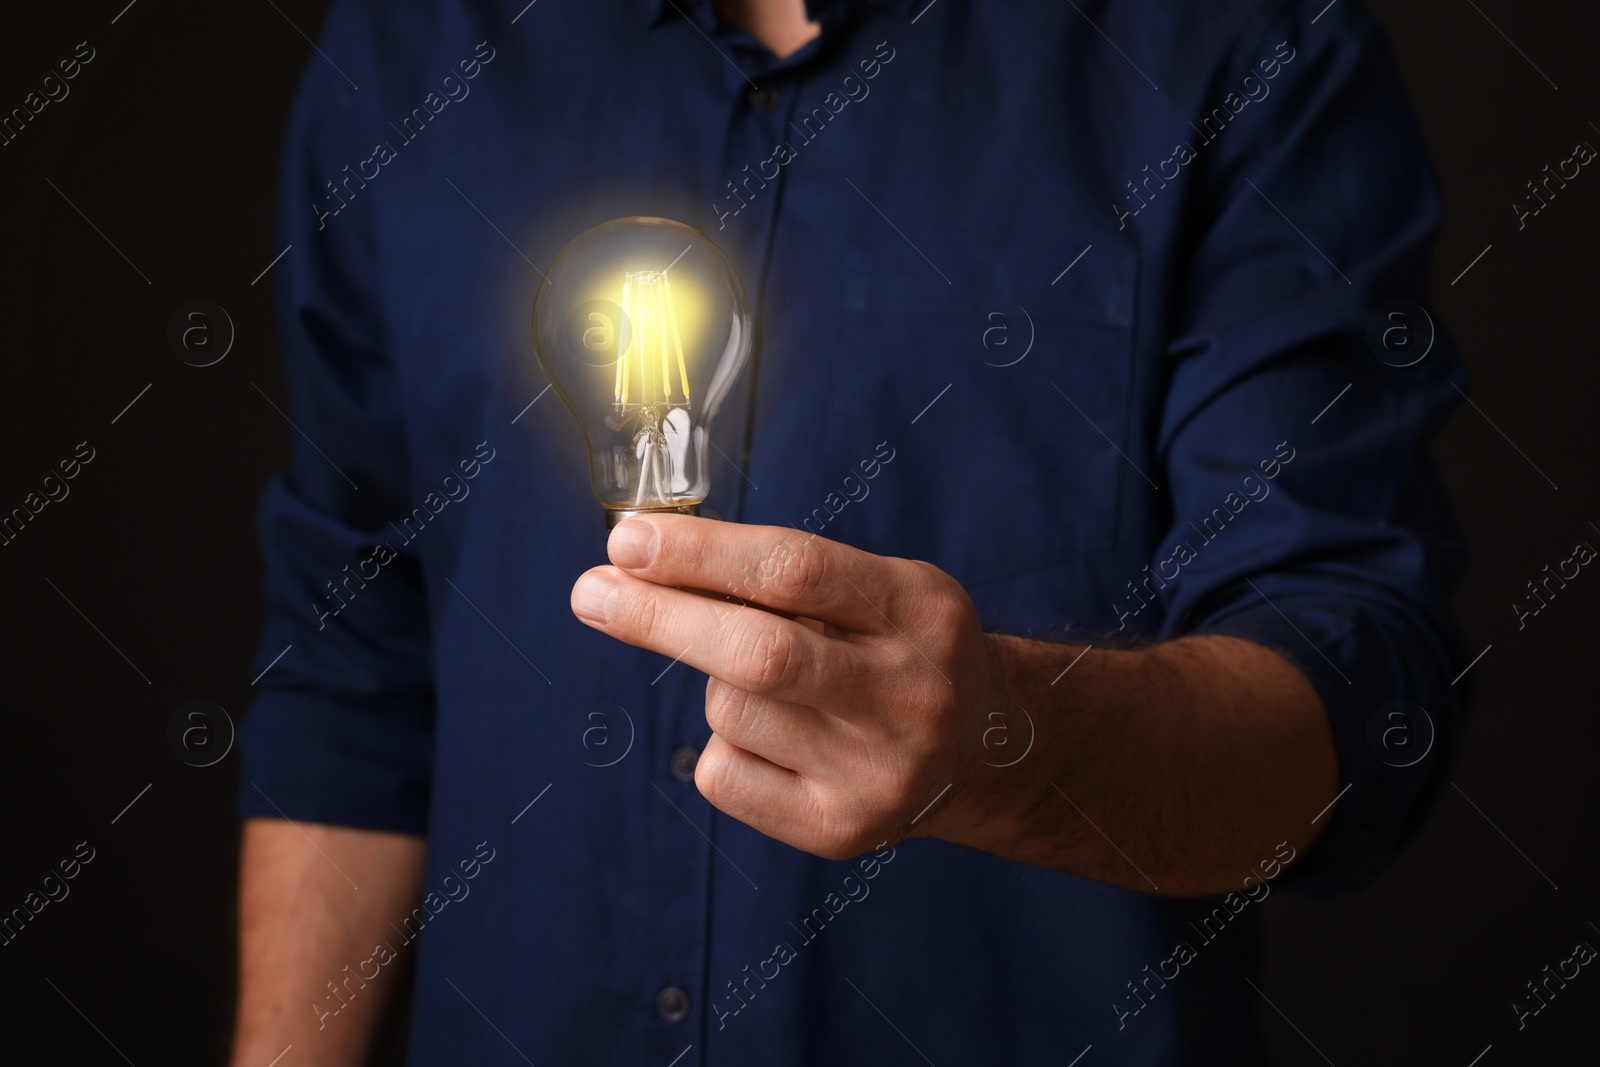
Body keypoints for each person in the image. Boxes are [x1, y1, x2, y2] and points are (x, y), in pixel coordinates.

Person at [229, 0, 1472, 1063]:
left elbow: (1352, 697)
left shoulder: (1240, 40)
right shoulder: (410, 46)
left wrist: (1005, 739)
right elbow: (352, 661)